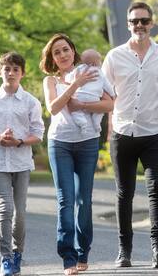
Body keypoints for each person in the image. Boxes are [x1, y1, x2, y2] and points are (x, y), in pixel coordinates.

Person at [102, 1, 158, 269]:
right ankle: (124, 251)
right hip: (122, 134)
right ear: (129, 25)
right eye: (134, 21)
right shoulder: (114, 56)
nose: (139, 26)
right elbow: (104, 92)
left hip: (153, 133)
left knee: (155, 189)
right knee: (125, 194)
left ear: (151, 23)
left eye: (144, 21)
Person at [40, 33, 114, 276]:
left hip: (88, 143)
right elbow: (53, 107)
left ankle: (83, 251)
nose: (62, 55)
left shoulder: (90, 72)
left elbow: (109, 104)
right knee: (65, 200)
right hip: (59, 143)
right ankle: (68, 257)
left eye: (65, 49)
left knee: (84, 200)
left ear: (73, 51)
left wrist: (82, 104)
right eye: (56, 52)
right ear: (52, 58)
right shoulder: (50, 81)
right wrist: (75, 85)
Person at [0, 51, 45, 276]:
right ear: (0, 72)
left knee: (20, 213)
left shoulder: (31, 102)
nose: (11, 73)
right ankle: (5, 259)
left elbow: (38, 134)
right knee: (4, 209)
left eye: (16, 69)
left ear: (22, 74)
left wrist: (18, 142)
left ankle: (18, 254)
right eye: (7, 68)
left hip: (22, 162)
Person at [65, 49, 115, 133]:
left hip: (80, 96)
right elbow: (107, 86)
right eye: (100, 61)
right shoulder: (99, 72)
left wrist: (72, 81)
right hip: (94, 98)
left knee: (75, 111)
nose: (101, 63)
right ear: (95, 63)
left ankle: (82, 123)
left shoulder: (79, 69)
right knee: (99, 111)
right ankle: (96, 122)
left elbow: (68, 78)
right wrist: (112, 94)